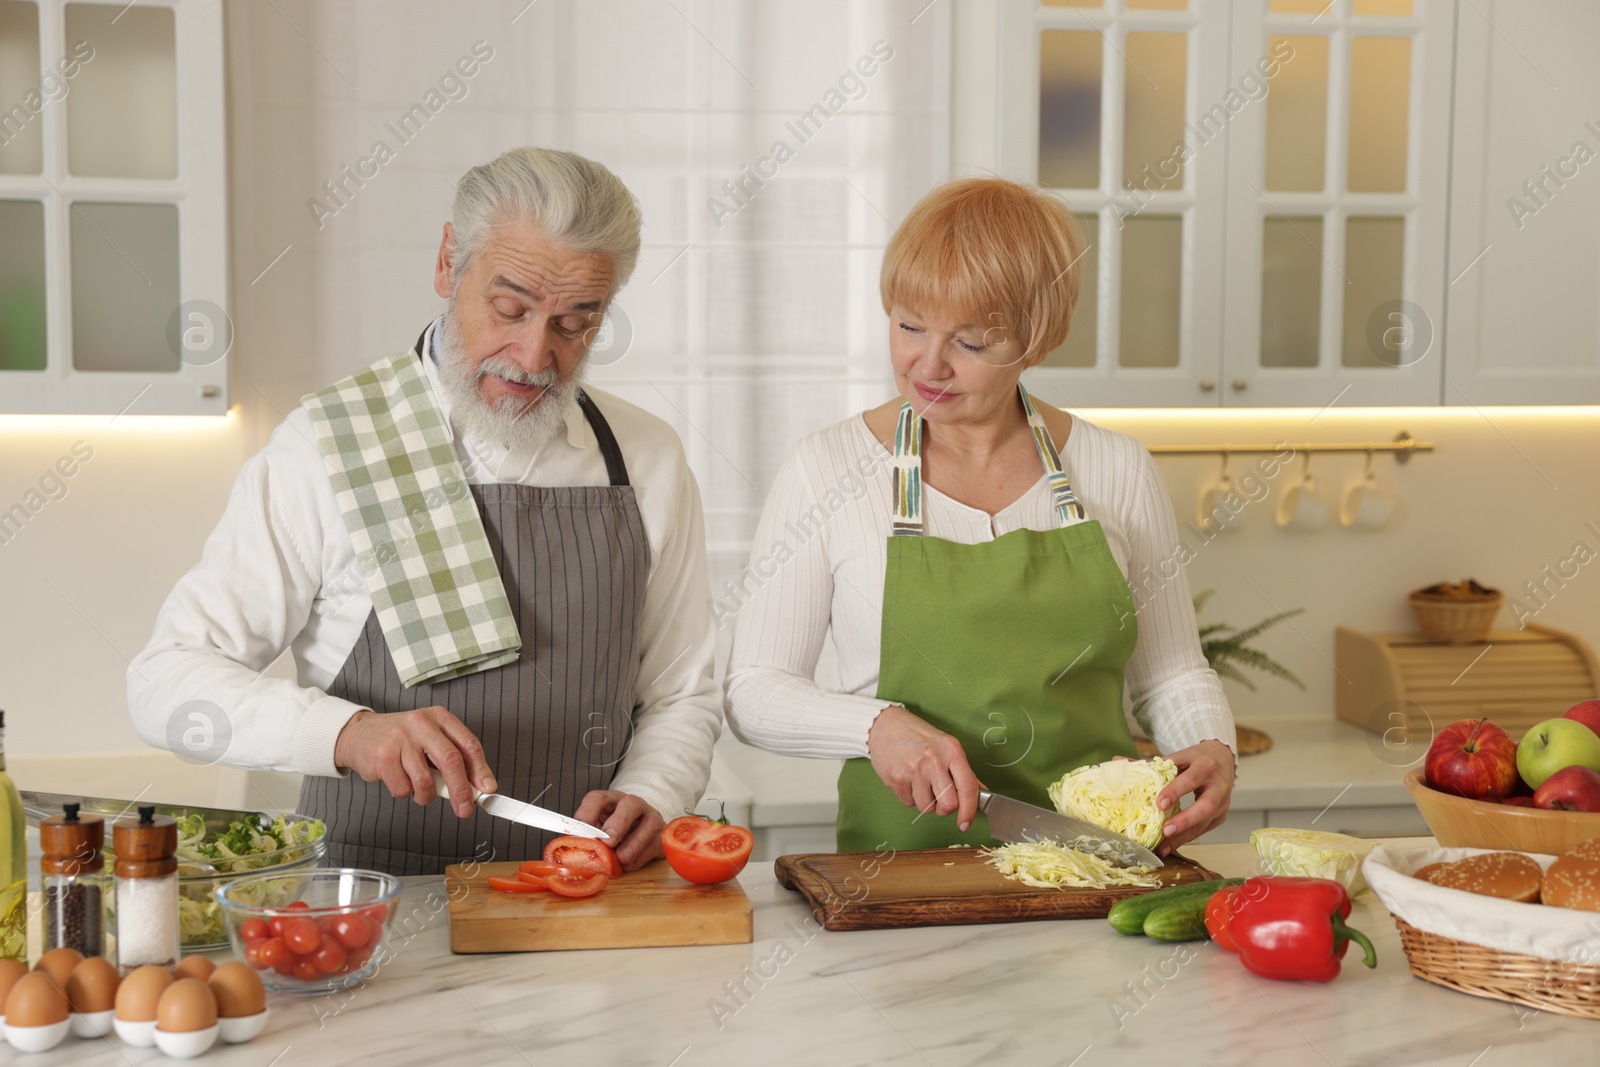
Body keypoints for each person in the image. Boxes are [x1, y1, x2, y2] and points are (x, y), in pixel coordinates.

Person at [128, 147, 720, 876]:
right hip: (372, 917)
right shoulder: (327, 445)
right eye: (511, 308)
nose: (535, 355)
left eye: (576, 322)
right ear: (448, 263)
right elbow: (164, 682)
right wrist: (350, 733)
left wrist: (654, 788)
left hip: (585, 905)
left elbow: (683, 692)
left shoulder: (647, 459)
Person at [724, 178, 1235, 856]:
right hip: (902, 883)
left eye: (969, 341)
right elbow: (754, 691)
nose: (927, 364)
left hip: (1097, 866)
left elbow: (1171, 670)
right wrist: (876, 725)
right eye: (909, 325)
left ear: (1037, 339)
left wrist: (1209, 742)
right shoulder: (826, 469)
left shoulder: (1116, 468)